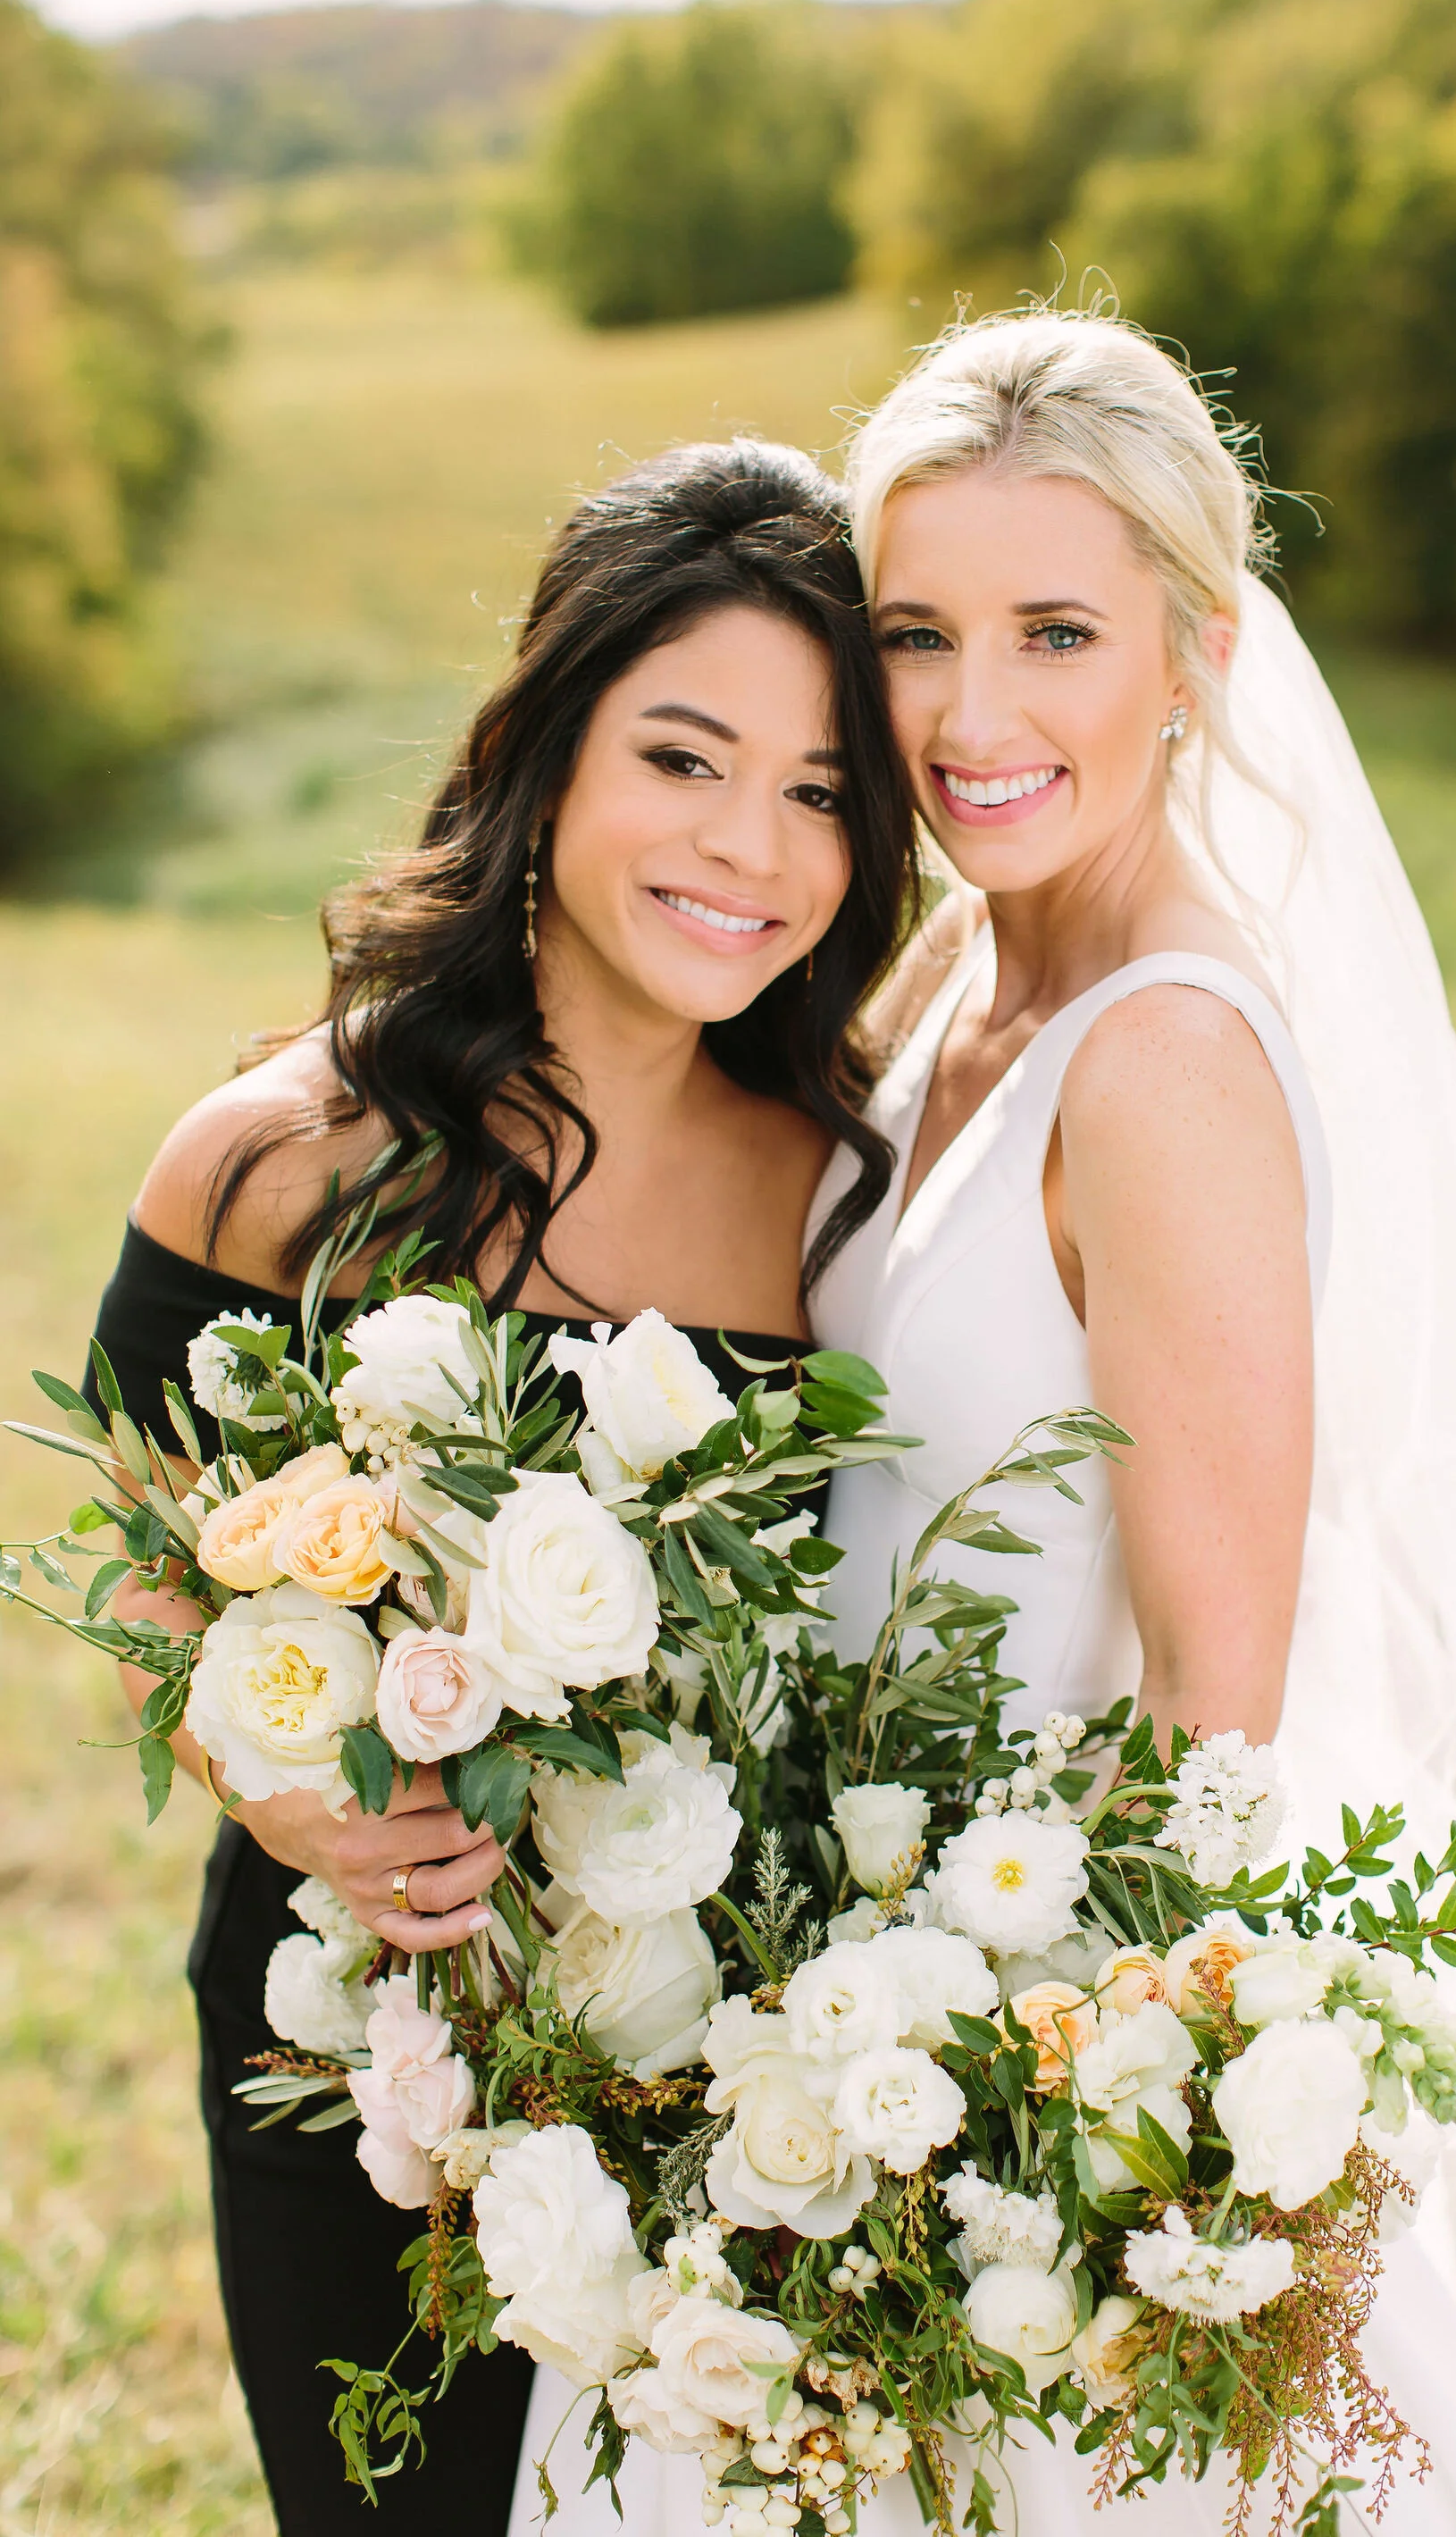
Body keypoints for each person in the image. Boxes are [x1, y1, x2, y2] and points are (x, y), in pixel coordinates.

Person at [794, 312, 1456, 2533]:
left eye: (1054, 634)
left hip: (1025, 2051)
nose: (971, 716)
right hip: (853, 1973)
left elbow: (1214, 1725)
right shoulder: (953, 973)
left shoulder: (1163, 1060)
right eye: (916, 635)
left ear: (1194, 656)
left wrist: (1030, 2137)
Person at [92, 439, 916, 2537]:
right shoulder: (279, 1160)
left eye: (820, 792)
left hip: (745, 2085)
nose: (749, 846)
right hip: (350, 2051)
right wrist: (281, 1789)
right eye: (684, 757)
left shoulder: (844, 1205)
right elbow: (139, 1566)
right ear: (545, 755)